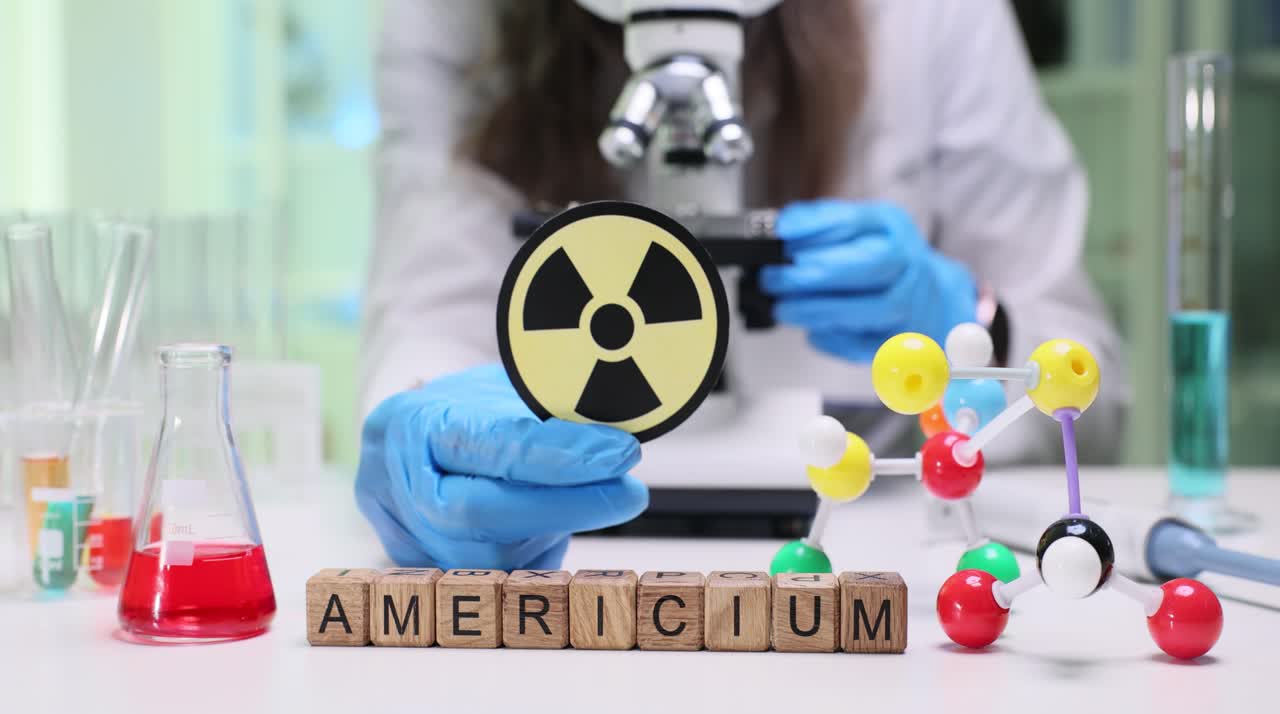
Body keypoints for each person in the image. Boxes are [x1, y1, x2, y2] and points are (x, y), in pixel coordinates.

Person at [356, 0, 1126, 570]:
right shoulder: (452, 17)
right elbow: (435, 301)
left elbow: (1090, 383)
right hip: (563, 555)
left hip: (869, 522)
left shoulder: (932, 18)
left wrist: (971, 330)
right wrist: (426, 438)